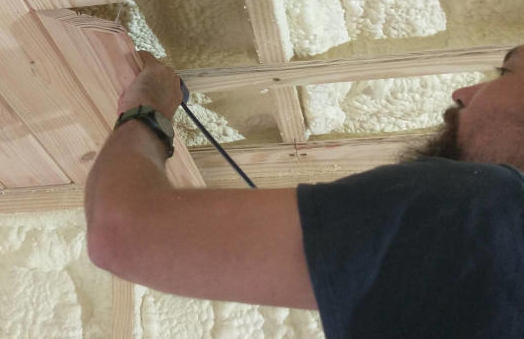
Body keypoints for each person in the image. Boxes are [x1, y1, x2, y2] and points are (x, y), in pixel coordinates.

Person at [85, 47, 524, 338]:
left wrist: (147, 109)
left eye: (506, 72)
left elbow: (125, 232)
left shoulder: (484, 208)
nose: (462, 92)